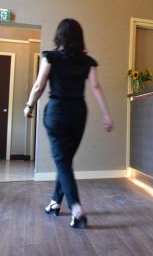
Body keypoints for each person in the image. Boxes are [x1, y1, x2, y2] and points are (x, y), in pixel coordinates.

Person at [24, 18, 113, 229]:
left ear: (59, 36)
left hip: (56, 113)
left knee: (63, 161)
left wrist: (29, 105)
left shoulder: (50, 57)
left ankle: (76, 208)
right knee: (65, 161)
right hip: (78, 114)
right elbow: (96, 87)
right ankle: (55, 202)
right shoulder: (88, 62)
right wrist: (106, 114)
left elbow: (39, 86)